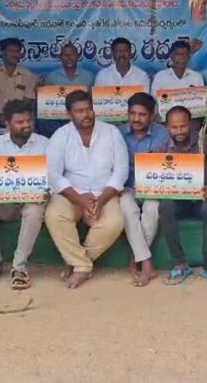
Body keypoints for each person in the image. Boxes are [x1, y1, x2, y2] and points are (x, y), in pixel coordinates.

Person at [45, 90, 128, 289]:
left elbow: (121, 171)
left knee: (114, 222)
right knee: (55, 215)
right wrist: (80, 199)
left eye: (89, 109)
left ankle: (77, 261)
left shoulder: (111, 132)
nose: (86, 114)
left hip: (104, 193)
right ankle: (82, 265)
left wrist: (101, 200)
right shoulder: (61, 136)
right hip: (71, 193)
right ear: (69, 114)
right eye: (80, 111)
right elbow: (53, 174)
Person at [0, 99, 49, 290]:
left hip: (30, 201)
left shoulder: (45, 144)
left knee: (34, 211)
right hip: (4, 201)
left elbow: (51, 178)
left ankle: (19, 267)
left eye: (29, 120)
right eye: (20, 122)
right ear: (7, 124)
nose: (26, 125)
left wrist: (47, 192)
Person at [158, 106, 207, 287]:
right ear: (167, 127)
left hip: (202, 198)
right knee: (165, 207)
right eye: (174, 127)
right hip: (178, 200)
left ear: (191, 124)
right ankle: (179, 263)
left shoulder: (206, 143)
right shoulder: (163, 148)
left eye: (183, 126)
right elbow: (156, 176)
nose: (179, 131)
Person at [118, 92, 170, 287]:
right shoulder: (117, 133)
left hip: (153, 187)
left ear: (152, 115)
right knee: (126, 206)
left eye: (142, 114)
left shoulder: (163, 134)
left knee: (152, 208)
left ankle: (137, 257)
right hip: (127, 186)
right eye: (132, 114)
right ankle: (146, 261)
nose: (136, 119)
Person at [0, 38, 38, 132]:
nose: (15, 54)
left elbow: (28, 102)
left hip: (19, 118)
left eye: (17, 51)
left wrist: (13, 117)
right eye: (11, 51)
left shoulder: (28, 76)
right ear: (2, 53)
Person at [41, 43, 96, 138]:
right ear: (60, 57)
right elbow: (45, 104)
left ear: (78, 56)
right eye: (65, 55)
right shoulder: (51, 77)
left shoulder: (89, 76)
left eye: (72, 54)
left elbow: (93, 101)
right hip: (57, 123)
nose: (68, 57)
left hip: (82, 122)